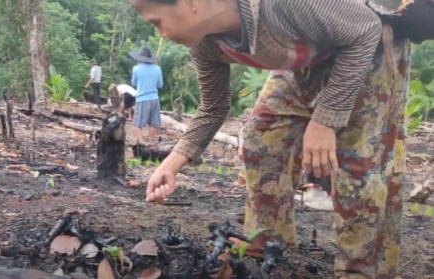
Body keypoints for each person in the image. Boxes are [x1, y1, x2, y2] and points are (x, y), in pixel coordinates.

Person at [131, 0, 410, 278]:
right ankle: (266, 240)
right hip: (305, 57)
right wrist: (169, 166)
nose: (161, 34)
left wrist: (325, 120)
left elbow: (365, 27)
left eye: (157, 22)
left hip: (363, 50)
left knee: (357, 160)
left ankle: (361, 268)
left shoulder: (280, 5)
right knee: (261, 136)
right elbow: (213, 109)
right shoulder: (204, 44)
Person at [130, 47, 163, 145]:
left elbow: (134, 83)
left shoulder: (136, 68)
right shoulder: (157, 68)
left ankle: (141, 142)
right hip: (154, 98)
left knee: (138, 122)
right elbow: (160, 85)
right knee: (153, 122)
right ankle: (150, 142)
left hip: (142, 98)